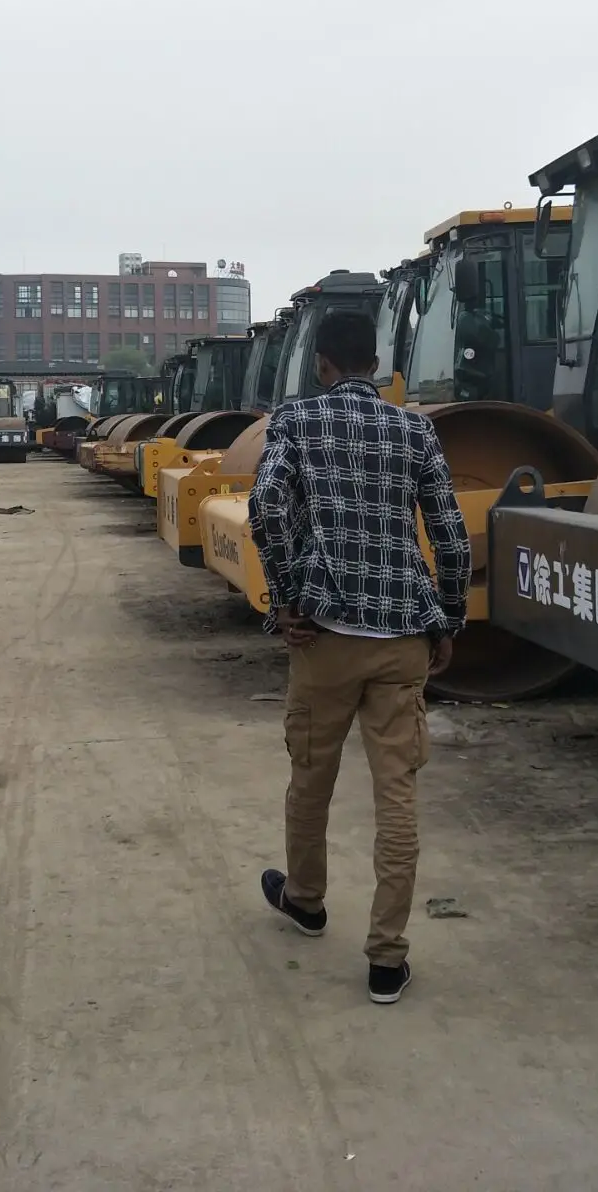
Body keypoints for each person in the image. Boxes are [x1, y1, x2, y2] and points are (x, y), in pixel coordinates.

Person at [247, 309, 471, 1005]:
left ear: (322, 364)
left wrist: (287, 596)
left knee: (311, 778)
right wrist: (450, 618)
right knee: (396, 795)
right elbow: (451, 535)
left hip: (326, 637)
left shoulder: (296, 421)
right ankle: (386, 958)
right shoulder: (415, 430)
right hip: (402, 638)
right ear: (375, 363)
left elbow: (265, 507)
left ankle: (306, 900)